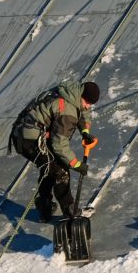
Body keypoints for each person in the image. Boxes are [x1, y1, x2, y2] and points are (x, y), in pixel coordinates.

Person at [10, 79, 100, 220]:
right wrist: (76, 164)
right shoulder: (67, 110)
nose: (88, 107)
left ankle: (44, 207)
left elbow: (83, 111)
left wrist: (85, 131)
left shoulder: (71, 92)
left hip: (25, 132)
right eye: (87, 102)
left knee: (49, 168)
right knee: (59, 170)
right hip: (29, 140)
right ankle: (71, 211)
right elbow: (59, 144)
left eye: (91, 104)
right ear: (82, 96)